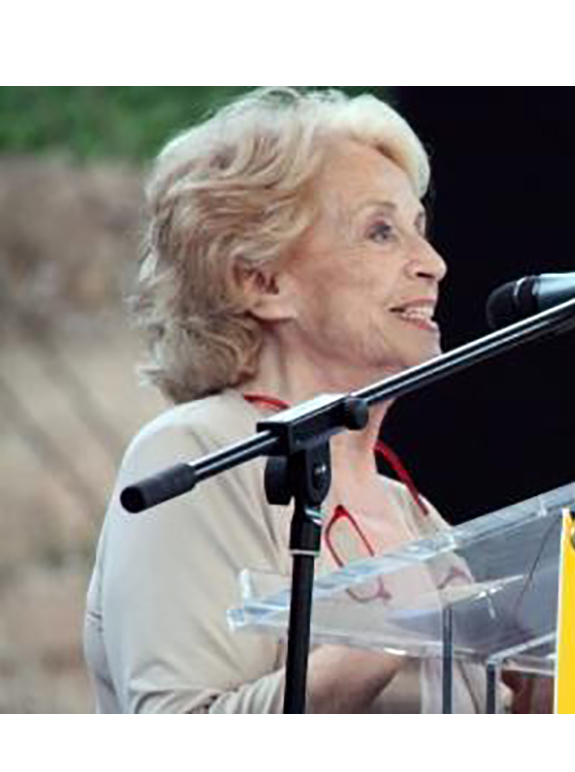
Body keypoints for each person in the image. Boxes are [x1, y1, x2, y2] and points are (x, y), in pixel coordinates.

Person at [83, 87, 491, 712]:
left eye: (420, 229)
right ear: (263, 282)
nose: (432, 263)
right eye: (381, 231)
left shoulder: (410, 510)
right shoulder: (196, 454)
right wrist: (383, 636)